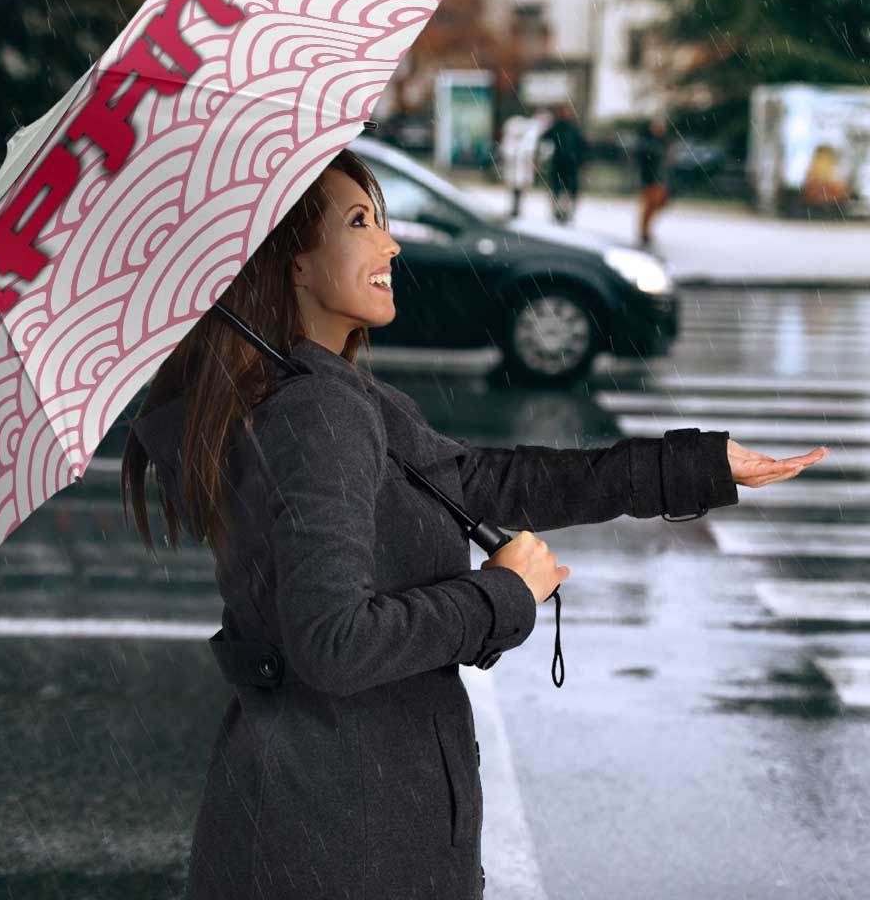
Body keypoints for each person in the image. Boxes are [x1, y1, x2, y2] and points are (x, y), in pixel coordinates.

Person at [122, 148, 826, 900]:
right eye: (360, 222)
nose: (390, 244)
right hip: (342, 839)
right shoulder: (315, 413)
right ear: (292, 264)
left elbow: (489, 481)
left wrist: (696, 466)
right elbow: (333, 644)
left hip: (330, 819)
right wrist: (501, 594)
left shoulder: (326, 395)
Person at [538, 102, 588, 225]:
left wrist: (581, 160)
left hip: (569, 164)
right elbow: (544, 140)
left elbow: (582, 146)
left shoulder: (571, 128)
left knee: (566, 191)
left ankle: (565, 213)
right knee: (559, 190)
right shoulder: (558, 127)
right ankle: (559, 213)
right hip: (561, 164)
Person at [636, 115, 672, 246]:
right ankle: (644, 231)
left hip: (660, 179)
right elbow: (645, 162)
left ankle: (645, 230)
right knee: (650, 205)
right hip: (651, 179)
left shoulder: (663, 142)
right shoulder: (648, 143)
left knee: (658, 204)